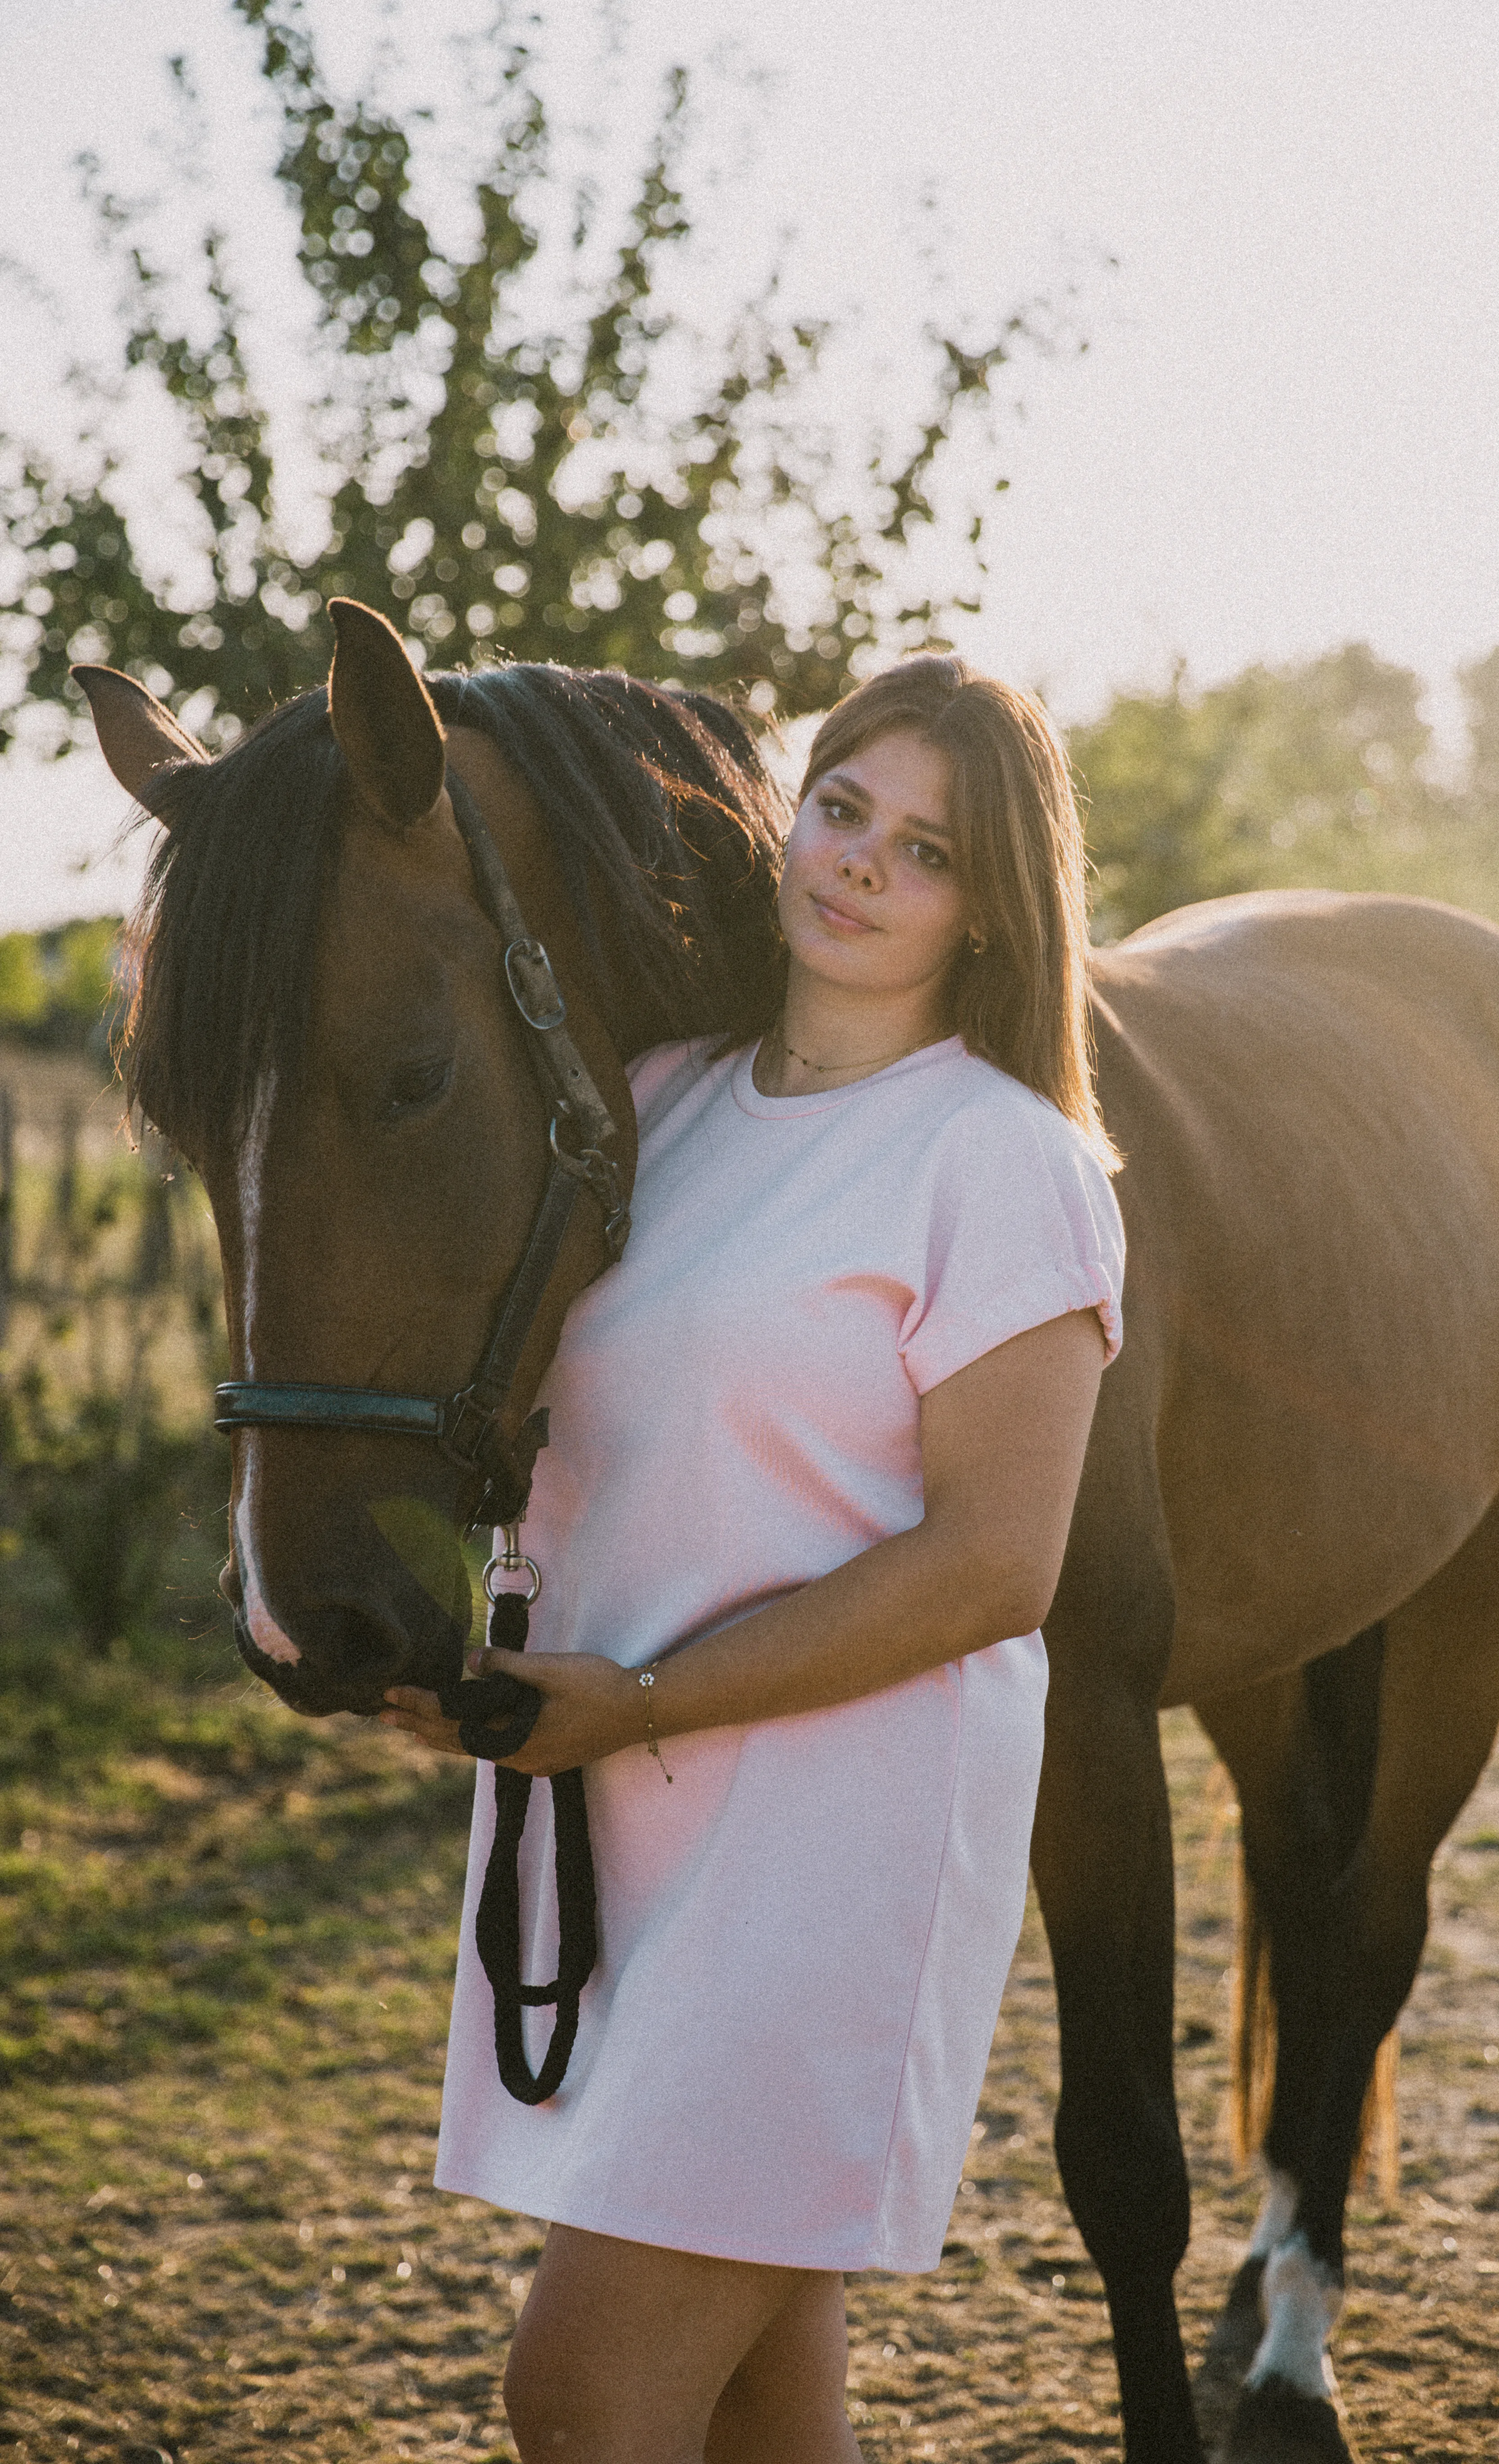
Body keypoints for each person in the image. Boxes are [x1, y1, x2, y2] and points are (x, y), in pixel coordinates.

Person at [384, 654, 1126, 2463]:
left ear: (993, 908)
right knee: (765, 2409)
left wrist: (637, 1697)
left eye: (928, 850)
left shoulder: (1002, 1161)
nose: (861, 863)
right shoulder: (659, 1098)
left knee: (585, 2392)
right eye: (845, 805)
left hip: (834, 1835)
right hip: (616, 1795)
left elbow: (994, 1568)